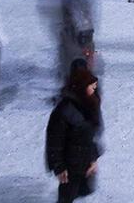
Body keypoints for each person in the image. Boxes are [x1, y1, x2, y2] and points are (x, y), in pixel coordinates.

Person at [45, 66, 102, 203]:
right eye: (92, 86)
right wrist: (59, 166)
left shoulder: (89, 105)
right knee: (67, 196)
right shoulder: (64, 111)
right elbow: (54, 141)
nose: (94, 89)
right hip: (69, 166)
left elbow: (91, 137)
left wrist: (93, 159)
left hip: (83, 162)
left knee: (84, 190)